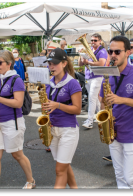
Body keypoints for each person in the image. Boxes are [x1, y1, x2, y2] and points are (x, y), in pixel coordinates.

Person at [100, 36, 133, 189]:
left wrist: (121, 100)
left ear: (128, 52)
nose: (113, 55)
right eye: (111, 51)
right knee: (120, 176)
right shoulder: (108, 74)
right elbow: (104, 100)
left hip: (132, 132)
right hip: (113, 131)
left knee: (131, 178)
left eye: (117, 51)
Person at [0, 50, 35, 189]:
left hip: (12, 123)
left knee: (17, 155)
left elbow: (18, 103)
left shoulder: (16, 80)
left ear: (9, 64)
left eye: (0, 62)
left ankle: (31, 180)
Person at [42, 48, 82, 189]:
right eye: (49, 63)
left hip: (68, 129)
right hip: (52, 128)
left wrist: (57, 105)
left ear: (64, 63)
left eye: (55, 63)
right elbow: (47, 106)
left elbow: (77, 109)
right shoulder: (48, 83)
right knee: (64, 165)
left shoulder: (73, 83)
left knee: (59, 170)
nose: (51, 66)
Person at [80, 33, 108, 129]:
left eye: (95, 40)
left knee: (92, 98)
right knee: (94, 98)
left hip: (97, 76)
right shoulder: (89, 50)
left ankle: (90, 121)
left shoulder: (102, 51)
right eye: (91, 40)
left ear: (100, 41)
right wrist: (81, 56)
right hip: (88, 76)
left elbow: (101, 63)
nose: (92, 42)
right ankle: (99, 116)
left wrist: (88, 62)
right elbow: (80, 64)